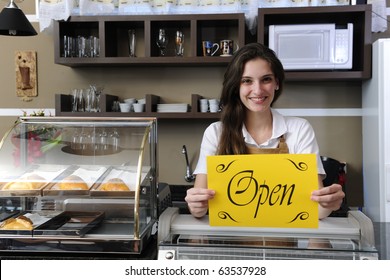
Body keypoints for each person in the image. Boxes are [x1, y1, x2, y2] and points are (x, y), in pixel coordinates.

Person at [185, 42, 345, 219]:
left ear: (276, 82)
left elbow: (316, 210)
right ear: (236, 86)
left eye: (266, 79)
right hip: (229, 242)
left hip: (284, 243)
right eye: (247, 81)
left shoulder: (299, 129)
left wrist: (329, 204)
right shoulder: (216, 133)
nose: (258, 90)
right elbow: (199, 209)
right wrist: (196, 205)